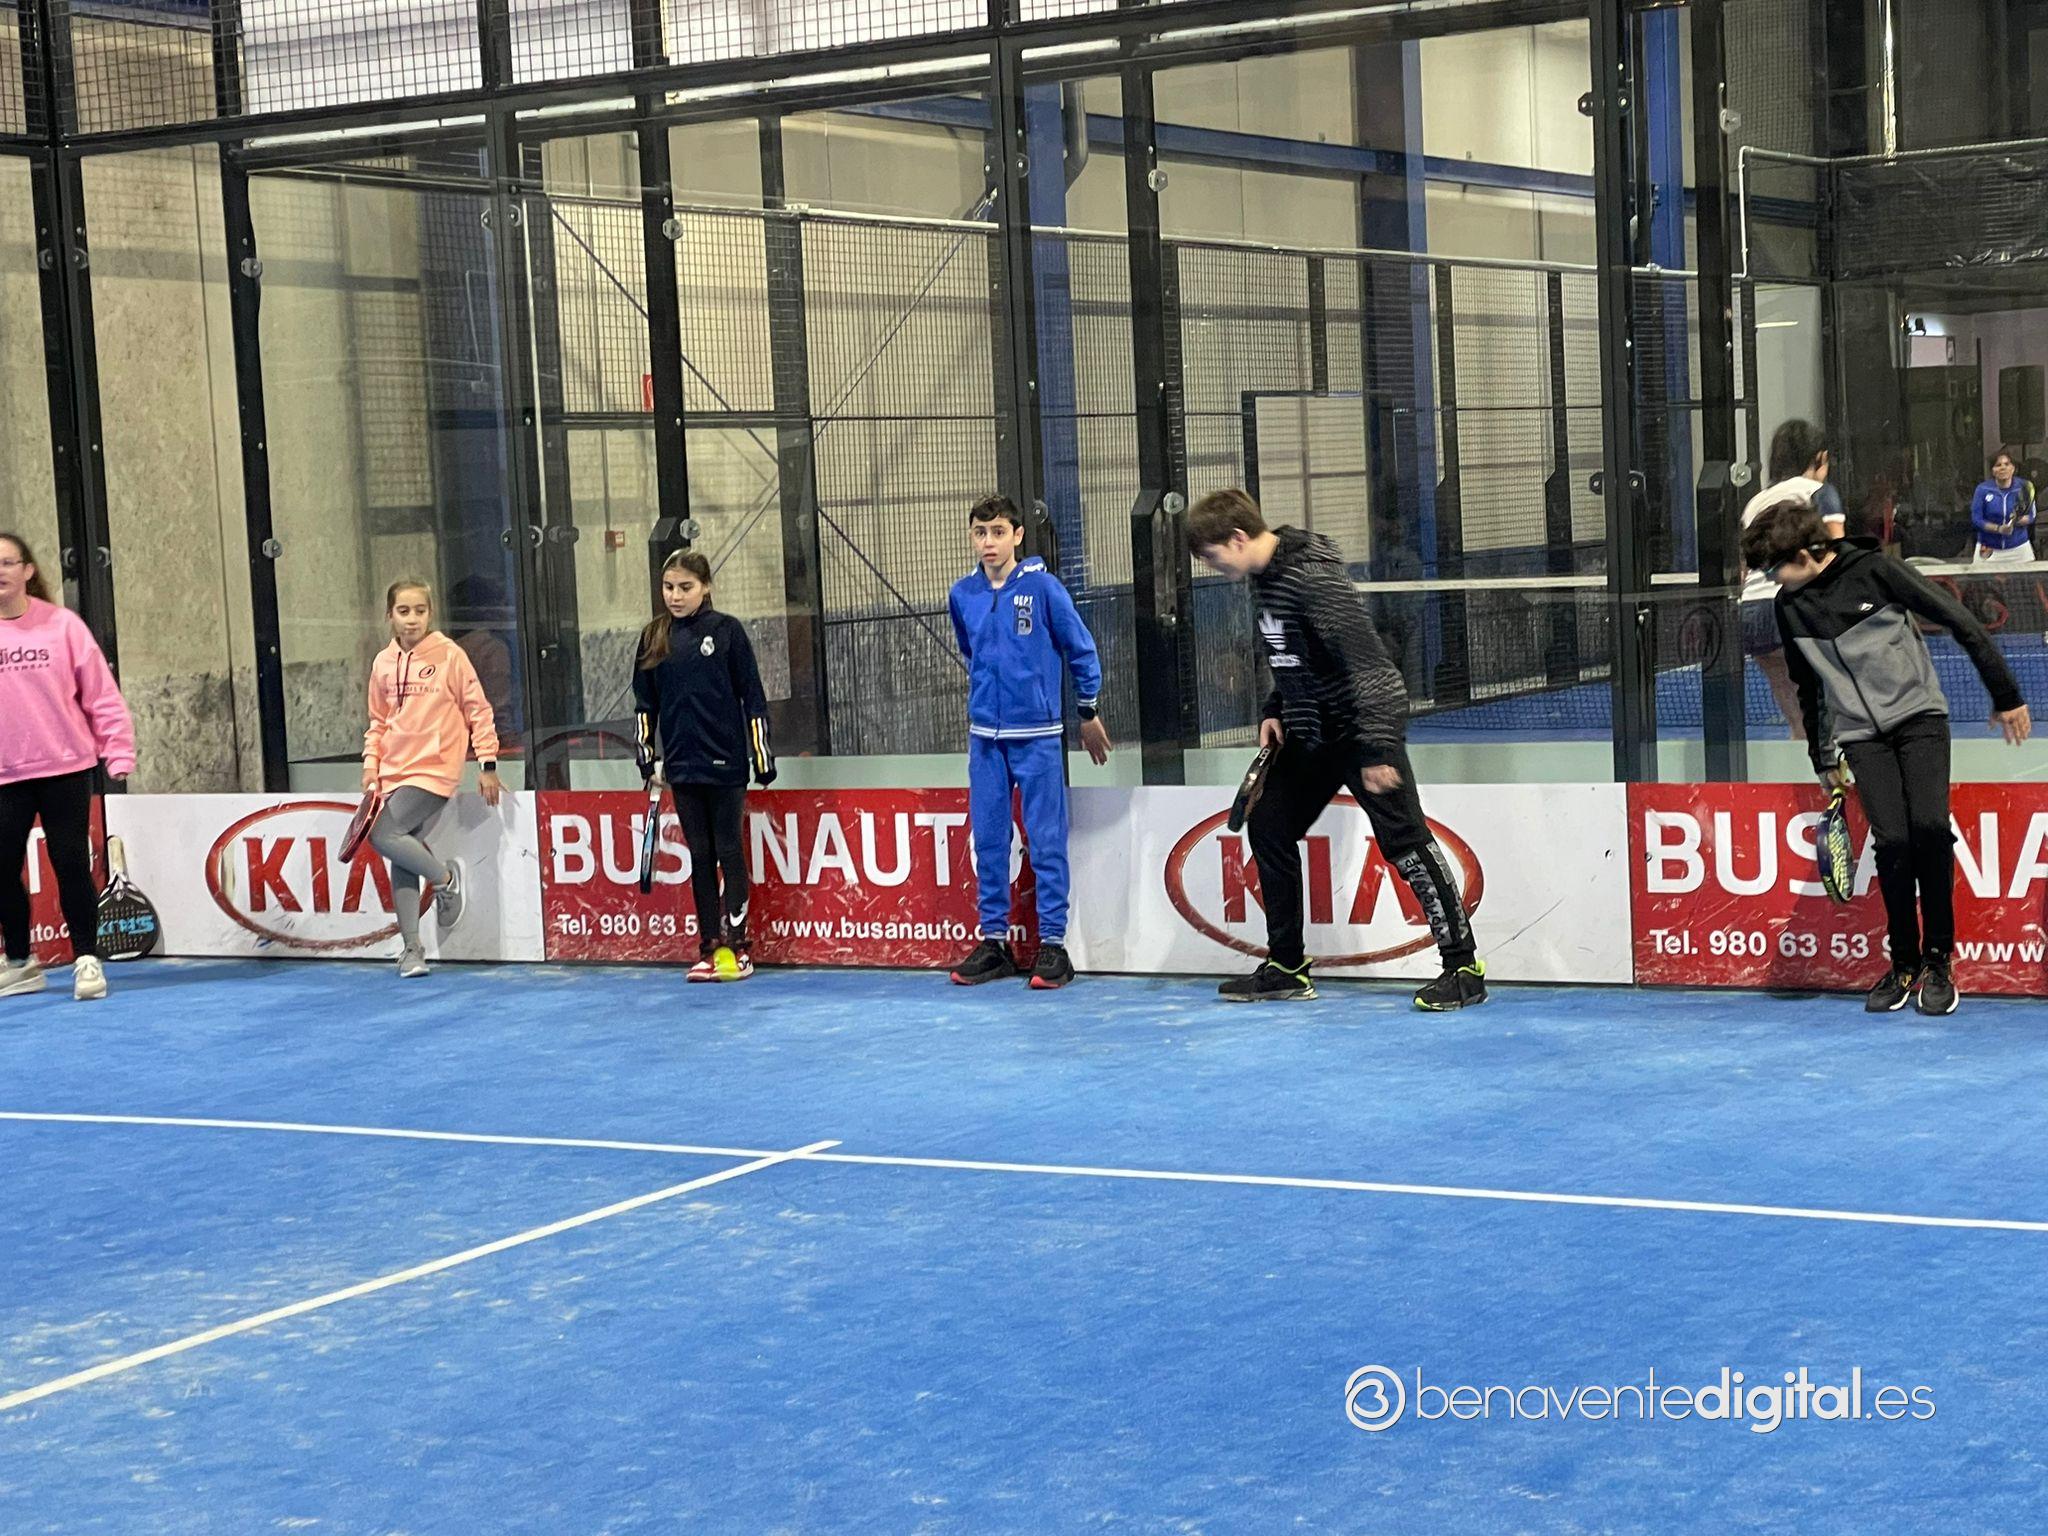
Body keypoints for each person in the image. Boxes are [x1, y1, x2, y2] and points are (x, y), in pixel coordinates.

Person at [1186, 490, 1484, 1011]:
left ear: (1236, 538)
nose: (1212, 568)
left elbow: (1370, 667)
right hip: (1311, 734)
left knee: (1406, 843)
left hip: (1359, 730)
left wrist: (1378, 749)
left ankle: (1463, 969)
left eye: (1212, 556)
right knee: (1269, 826)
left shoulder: (1312, 580)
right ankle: (1287, 967)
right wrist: (1275, 708)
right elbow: (1290, 655)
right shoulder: (1264, 580)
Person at [1742, 501, 2032, 1016]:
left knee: (1929, 830)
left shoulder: (1876, 570)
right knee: (1893, 843)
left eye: (1773, 568)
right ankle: (1903, 963)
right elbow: (1807, 686)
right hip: (1860, 736)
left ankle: (1938, 961)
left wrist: (2006, 695)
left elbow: (1962, 622)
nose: (1771, 579)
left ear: (1805, 554)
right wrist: (1822, 756)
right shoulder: (1789, 606)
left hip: (1919, 717)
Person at [945, 495, 1111, 990]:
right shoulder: (962, 594)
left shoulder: (1044, 588)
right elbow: (972, 651)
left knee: (1045, 840)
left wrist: (1087, 710)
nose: (989, 542)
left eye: (998, 532)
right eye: (980, 532)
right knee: (989, 841)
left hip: (1037, 737)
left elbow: (1079, 649)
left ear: (1017, 535)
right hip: (985, 740)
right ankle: (994, 943)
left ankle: (1053, 945)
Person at [0, 532, 135, 1003]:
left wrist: (118, 750)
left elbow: (101, 695)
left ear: (27, 571)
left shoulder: (63, 626)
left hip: (66, 768)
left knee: (72, 863)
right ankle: (20, 963)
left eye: (7, 562)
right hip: (5, 777)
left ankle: (86, 959)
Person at [633, 550, 775, 982]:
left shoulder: (727, 631)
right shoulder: (653, 637)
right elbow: (645, 705)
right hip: (682, 766)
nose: (675, 596)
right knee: (699, 854)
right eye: (668, 588)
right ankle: (710, 946)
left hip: (726, 763)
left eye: (685, 587)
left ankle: (739, 948)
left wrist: (761, 755)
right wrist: (647, 758)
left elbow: (752, 696)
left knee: (728, 849)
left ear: (706, 587)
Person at [363, 579, 503, 979]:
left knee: (381, 833)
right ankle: (412, 950)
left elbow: (478, 710)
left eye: (420, 611)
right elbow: (378, 721)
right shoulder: (382, 663)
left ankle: (444, 879)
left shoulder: (450, 655)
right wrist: (371, 766)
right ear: (389, 615)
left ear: (431, 614)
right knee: (401, 852)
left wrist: (487, 765)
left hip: (436, 769)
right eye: (403, 611)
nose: (412, 619)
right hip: (392, 771)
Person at [1737, 421, 1846, 739]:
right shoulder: (1819, 492)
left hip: (1752, 614)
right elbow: (1836, 553)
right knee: (1830, 709)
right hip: (1794, 608)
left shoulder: (1756, 502)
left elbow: (1745, 569)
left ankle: (1804, 756)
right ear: (1819, 457)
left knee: (1799, 720)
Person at [1969, 448, 2038, 566]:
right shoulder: (1982, 489)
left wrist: (2017, 520)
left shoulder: (2024, 487)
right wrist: (1998, 529)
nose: (2003, 468)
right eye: (1998, 465)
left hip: (2019, 549)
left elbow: (2032, 516)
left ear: (2013, 468)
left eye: (2007, 464)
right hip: (1988, 549)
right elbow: (1976, 519)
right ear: (1992, 470)